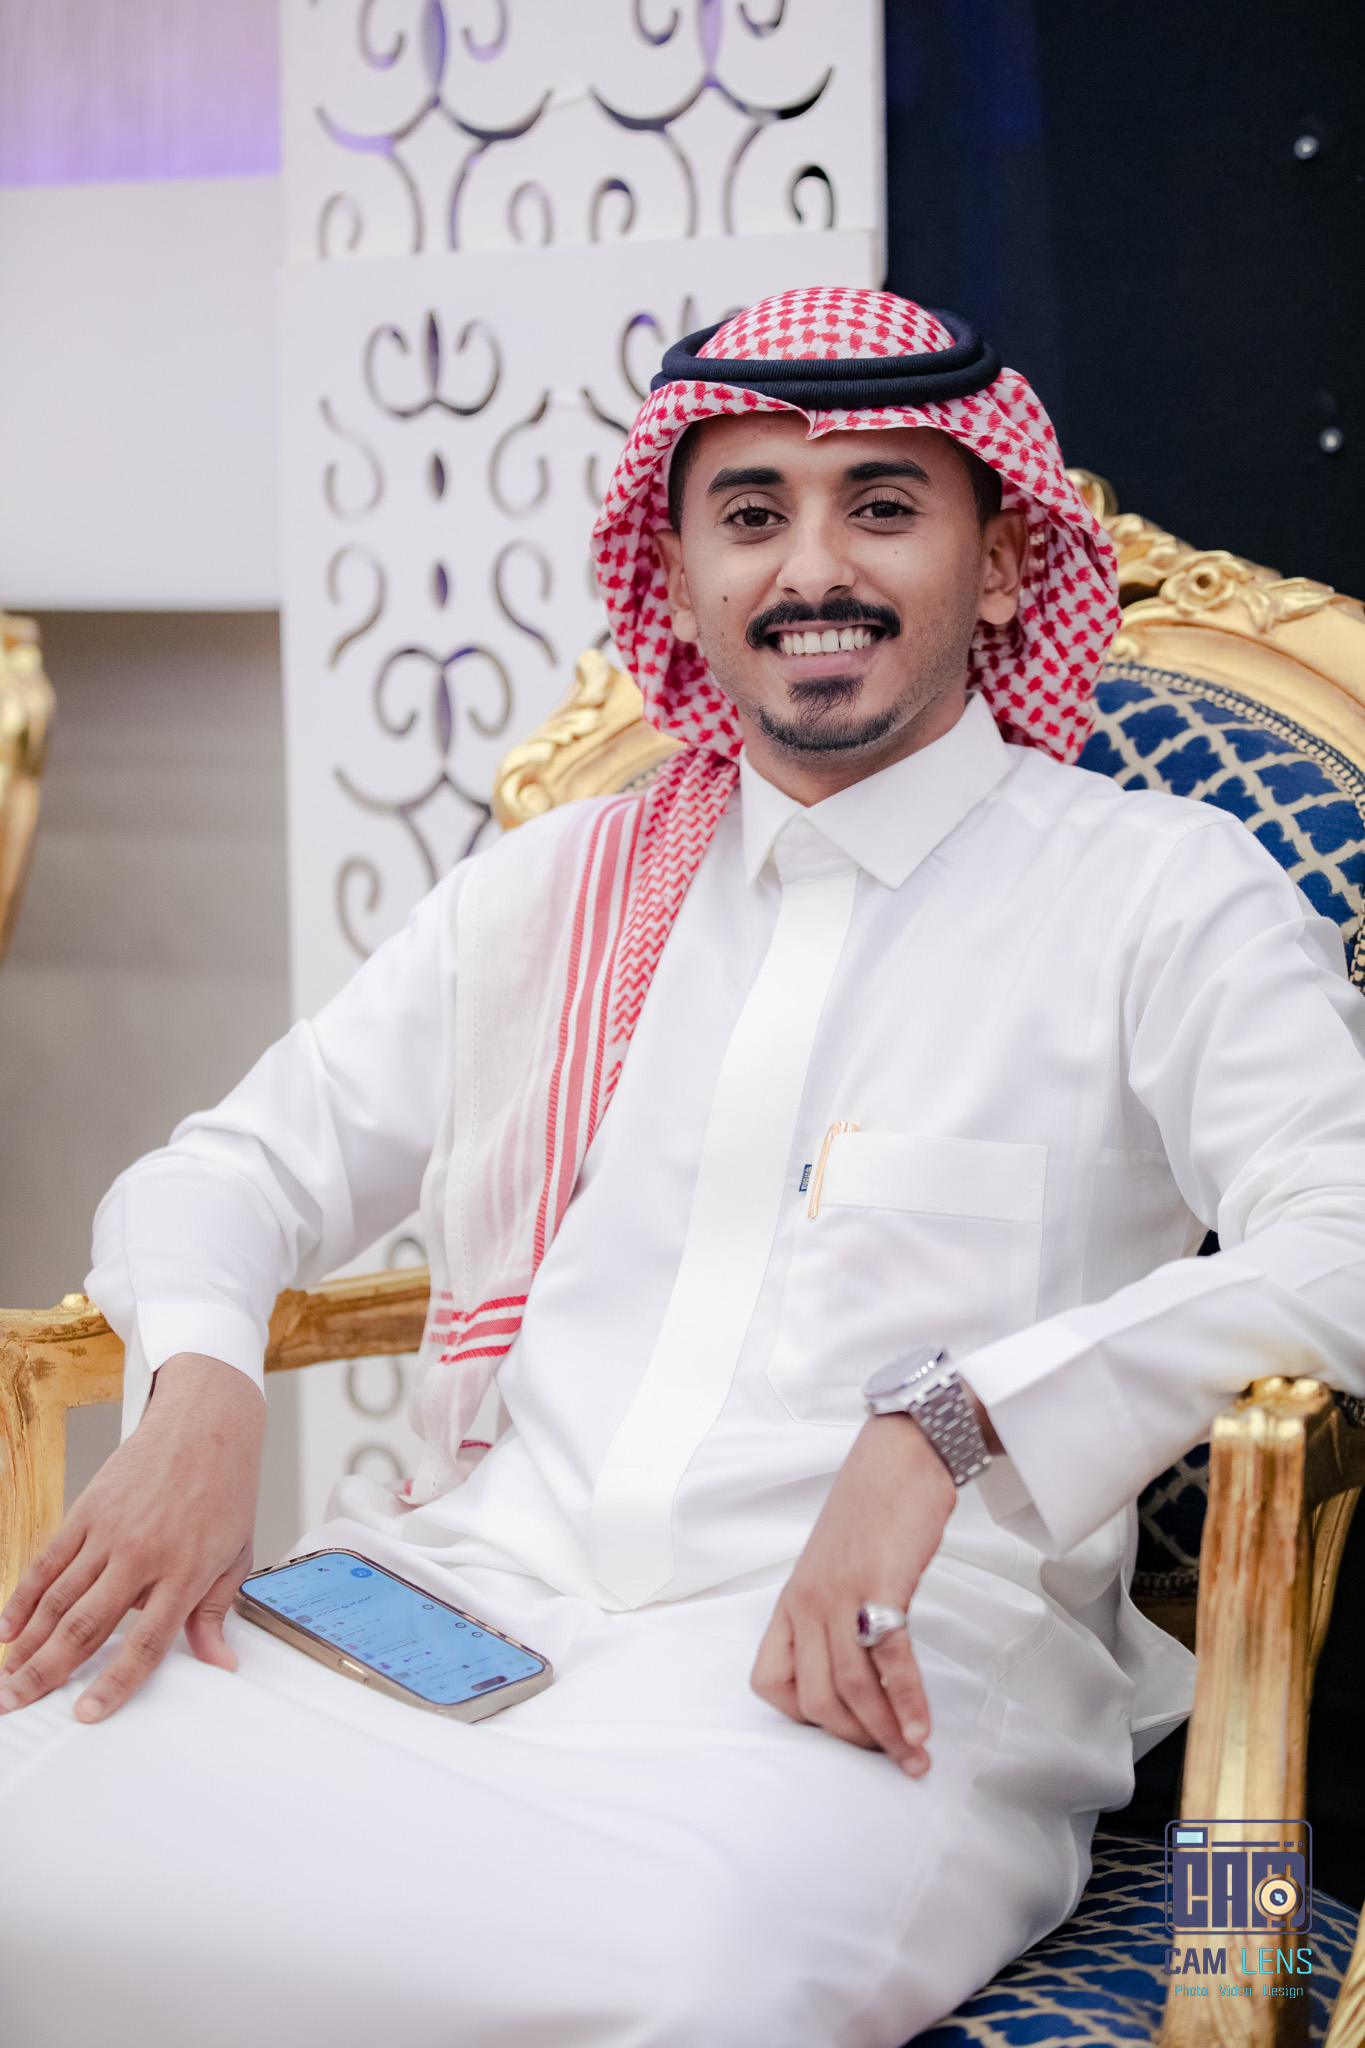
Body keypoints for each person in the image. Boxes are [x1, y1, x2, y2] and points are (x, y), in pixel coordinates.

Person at [2, 287, 1364, 2048]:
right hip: (451, 1600)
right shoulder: (558, 894)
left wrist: (950, 1420)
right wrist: (199, 1390)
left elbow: (1342, 1239)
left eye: (883, 506)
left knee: (683, 1987)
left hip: (850, 1672)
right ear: (681, 573)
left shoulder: (1153, 892)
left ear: (1004, 564)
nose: (814, 568)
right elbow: (229, 1170)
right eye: (750, 514)